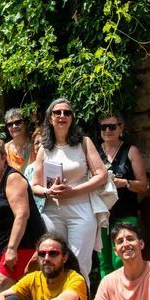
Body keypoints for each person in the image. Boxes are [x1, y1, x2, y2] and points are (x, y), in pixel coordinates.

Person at [33, 99, 108, 281]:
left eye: (67, 113)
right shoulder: (44, 148)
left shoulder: (84, 142)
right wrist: (48, 192)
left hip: (81, 210)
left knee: (79, 265)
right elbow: (34, 185)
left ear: (72, 118)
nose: (62, 116)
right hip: (53, 212)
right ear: (50, 119)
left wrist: (73, 191)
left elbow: (102, 174)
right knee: (53, 264)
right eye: (57, 112)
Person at [0, 138, 45, 284]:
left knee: (2, 281)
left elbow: (22, 215)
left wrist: (11, 249)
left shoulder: (13, 178)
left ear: (4, 157)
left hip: (22, 244)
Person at [95, 112, 150, 276]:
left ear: (121, 128)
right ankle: (111, 299)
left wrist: (124, 183)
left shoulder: (130, 151)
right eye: (103, 127)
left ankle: (129, 297)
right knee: (104, 262)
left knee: (123, 259)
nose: (107, 131)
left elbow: (143, 186)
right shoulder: (95, 153)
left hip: (125, 213)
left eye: (112, 127)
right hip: (102, 215)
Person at [3, 108, 34, 176]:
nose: (14, 126)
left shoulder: (35, 146)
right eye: (10, 124)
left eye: (18, 122)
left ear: (25, 124)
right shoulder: (4, 149)